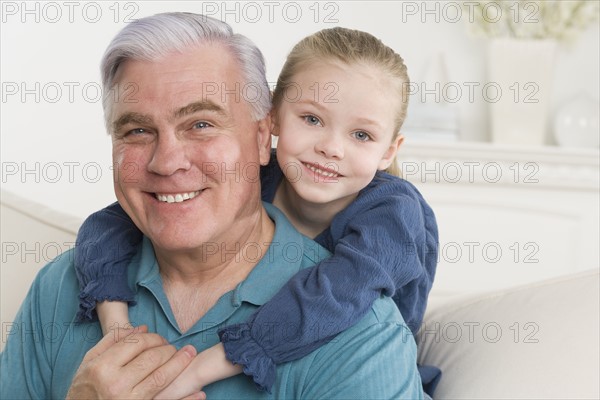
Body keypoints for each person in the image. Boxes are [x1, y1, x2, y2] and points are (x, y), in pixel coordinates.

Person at [0, 12, 425, 400]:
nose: (166, 162)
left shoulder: (362, 332)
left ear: (262, 138)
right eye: (137, 130)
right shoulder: (60, 285)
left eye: (201, 124)